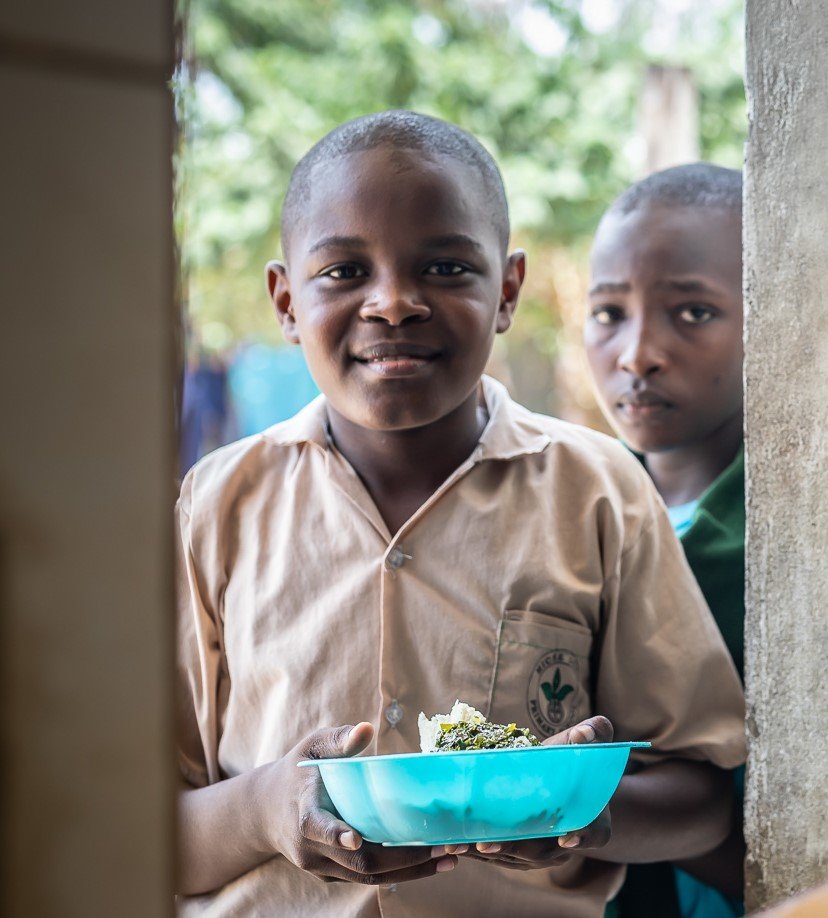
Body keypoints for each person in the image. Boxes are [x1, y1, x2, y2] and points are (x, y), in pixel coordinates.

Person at [176, 112, 745, 917]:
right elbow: (136, 824)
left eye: (444, 266)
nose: (396, 303)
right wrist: (266, 809)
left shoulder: (598, 493)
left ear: (506, 291)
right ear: (285, 300)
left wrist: (580, 812)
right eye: (343, 272)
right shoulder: (216, 505)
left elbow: (703, 791)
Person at [584, 163, 745, 918]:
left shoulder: (770, 549)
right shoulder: (575, 517)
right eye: (608, 312)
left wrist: (583, 806)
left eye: (692, 313)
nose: (637, 353)